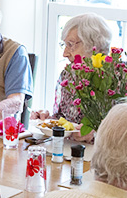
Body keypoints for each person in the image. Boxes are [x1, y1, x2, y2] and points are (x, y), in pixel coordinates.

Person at [32, 13, 113, 143]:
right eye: (64, 45)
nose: (65, 53)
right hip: (68, 151)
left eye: (70, 45)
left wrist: (97, 134)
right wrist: (46, 119)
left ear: (94, 45)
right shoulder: (68, 75)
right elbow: (63, 119)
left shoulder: (120, 78)